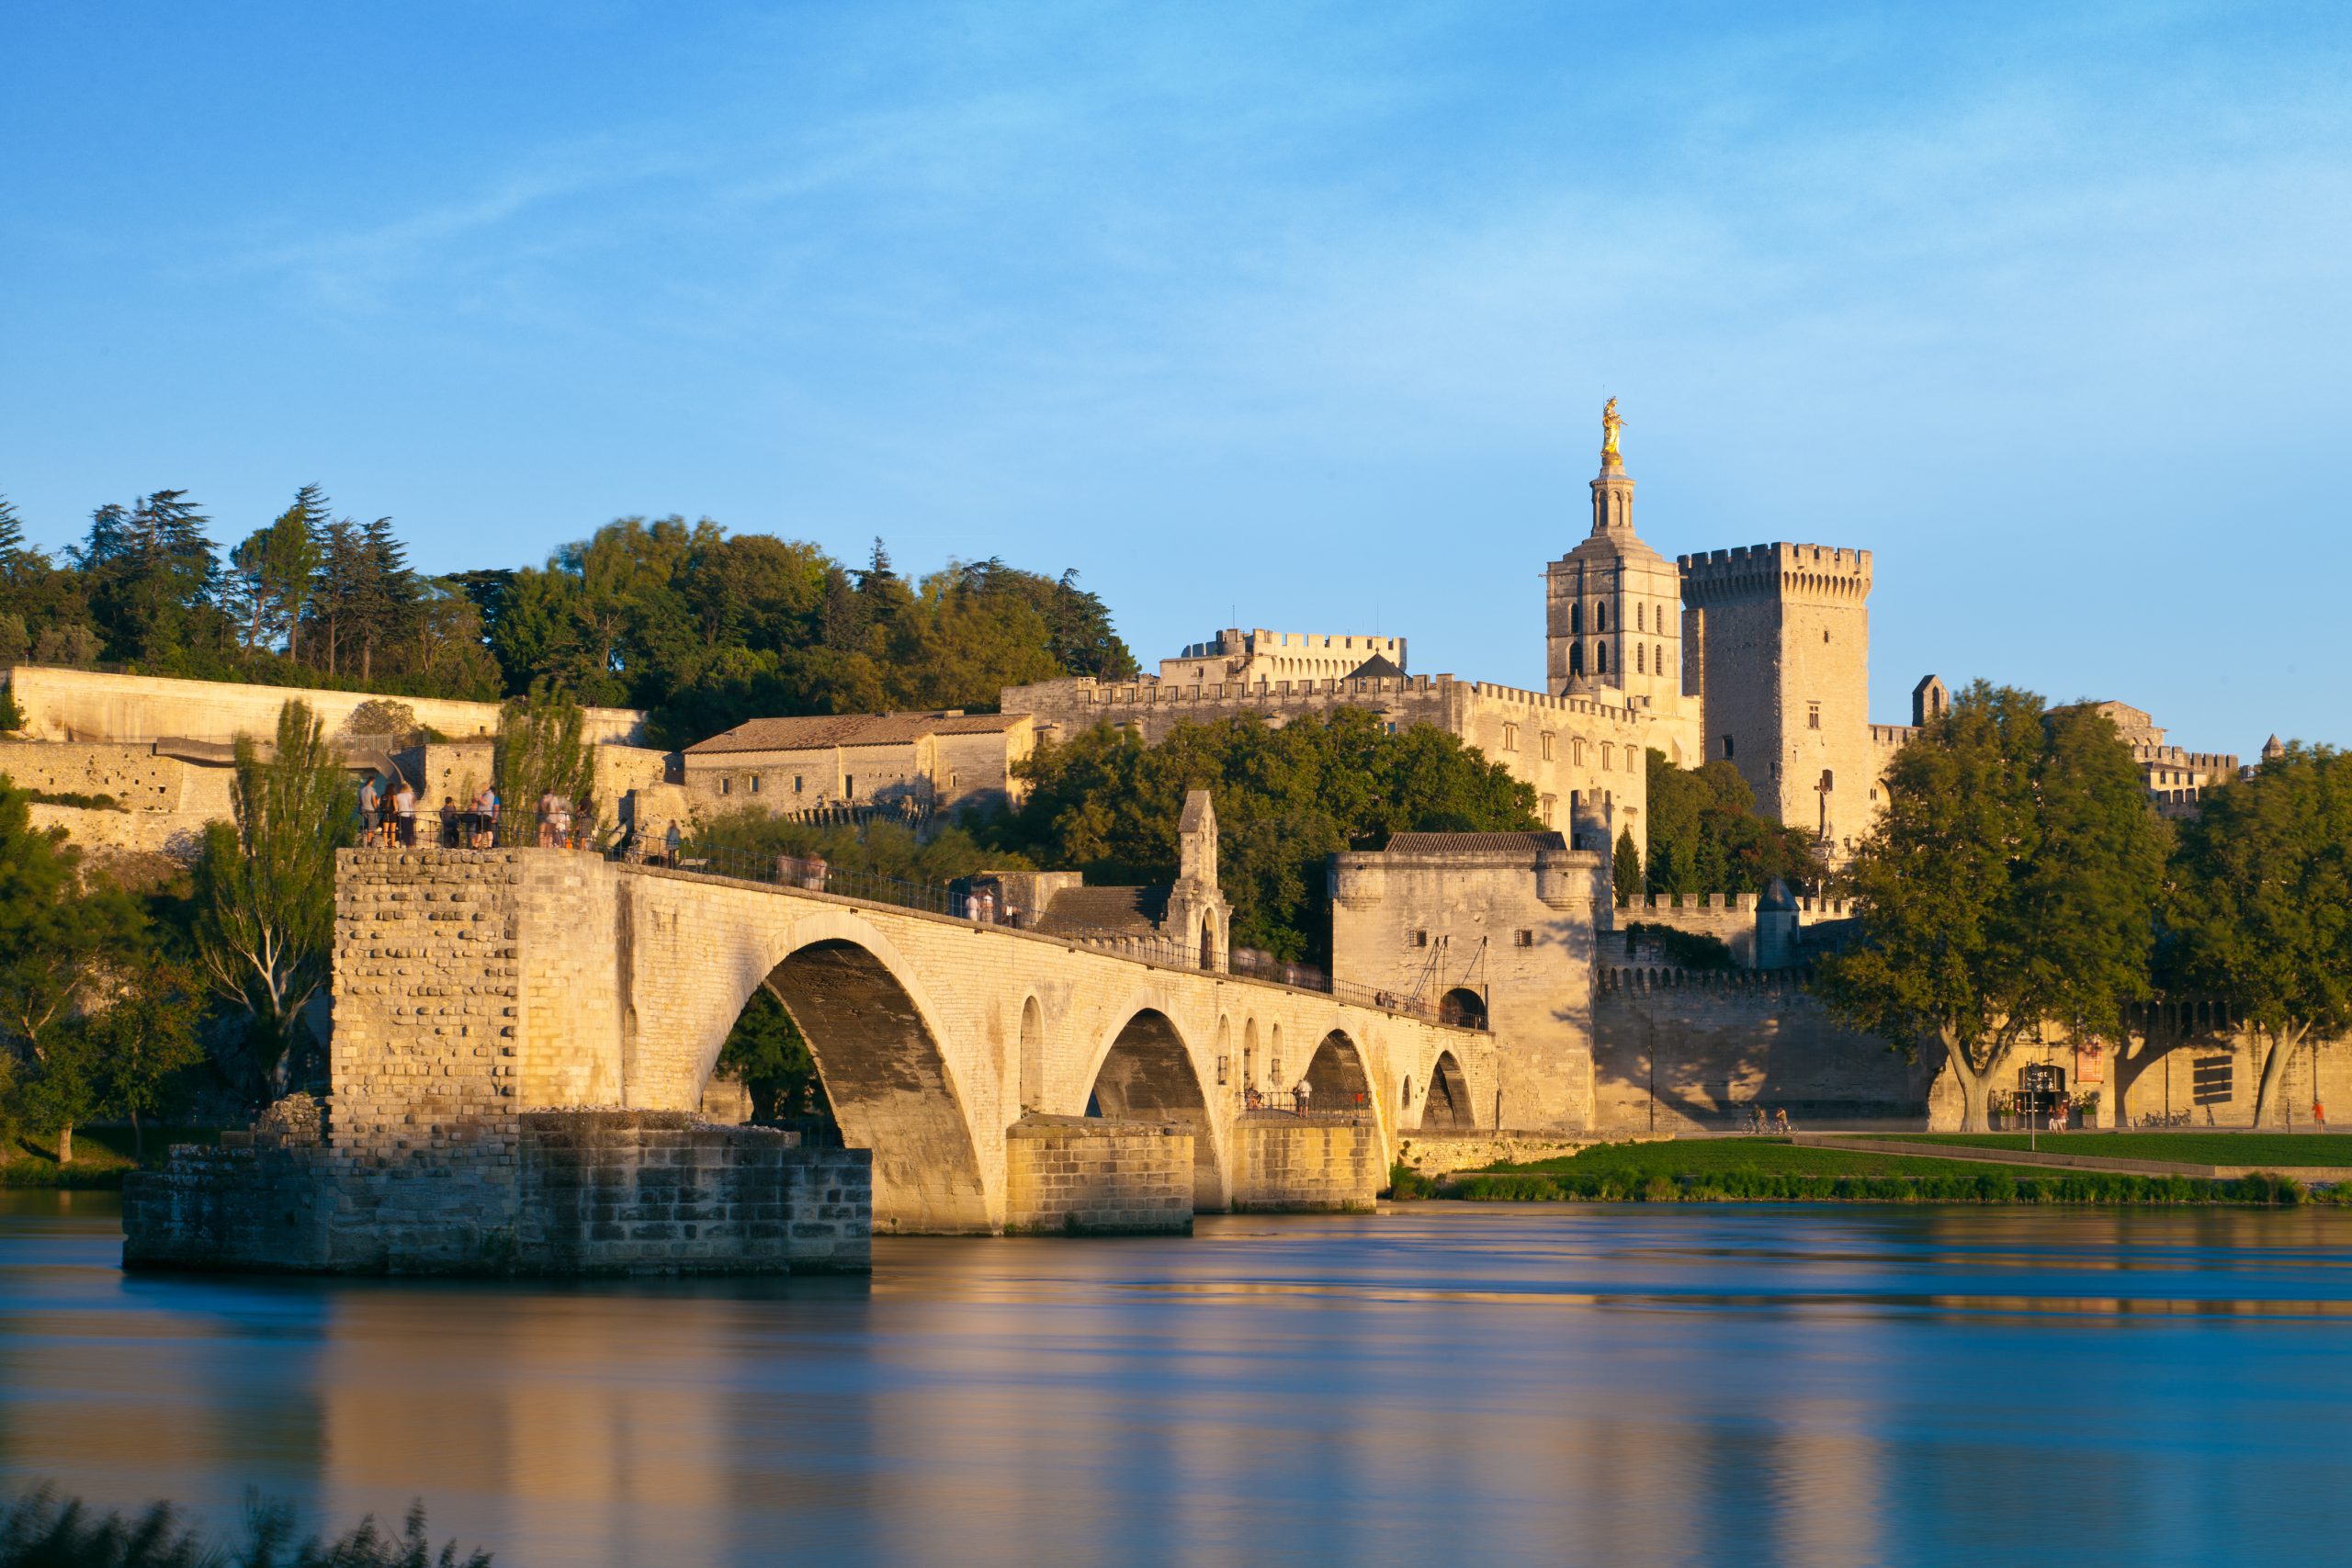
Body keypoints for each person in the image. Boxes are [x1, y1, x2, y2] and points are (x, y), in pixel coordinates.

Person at [392, 775, 418, 848]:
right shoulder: (409, 795)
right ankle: (412, 844)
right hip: (410, 815)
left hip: (402, 815)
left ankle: (407, 844)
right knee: (411, 831)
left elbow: (397, 807)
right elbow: (412, 804)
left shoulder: (398, 796)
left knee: (404, 831)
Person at [358, 775, 381, 844]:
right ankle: (369, 842)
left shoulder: (362, 790)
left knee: (366, 826)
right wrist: (376, 808)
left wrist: (360, 809)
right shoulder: (371, 789)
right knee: (371, 827)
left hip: (363, 809)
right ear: (371, 781)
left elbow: (359, 801)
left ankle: (367, 840)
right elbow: (374, 800)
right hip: (370, 810)